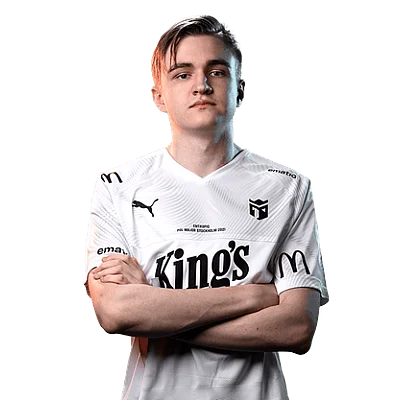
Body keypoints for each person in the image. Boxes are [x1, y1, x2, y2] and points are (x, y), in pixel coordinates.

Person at [82, 13, 330, 400]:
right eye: (182, 74)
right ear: (158, 95)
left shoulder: (288, 188)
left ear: (240, 88)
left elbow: (296, 327)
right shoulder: (117, 187)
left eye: (216, 71)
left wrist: (155, 312)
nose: (201, 85)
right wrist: (254, 297)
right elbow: (115, 313)